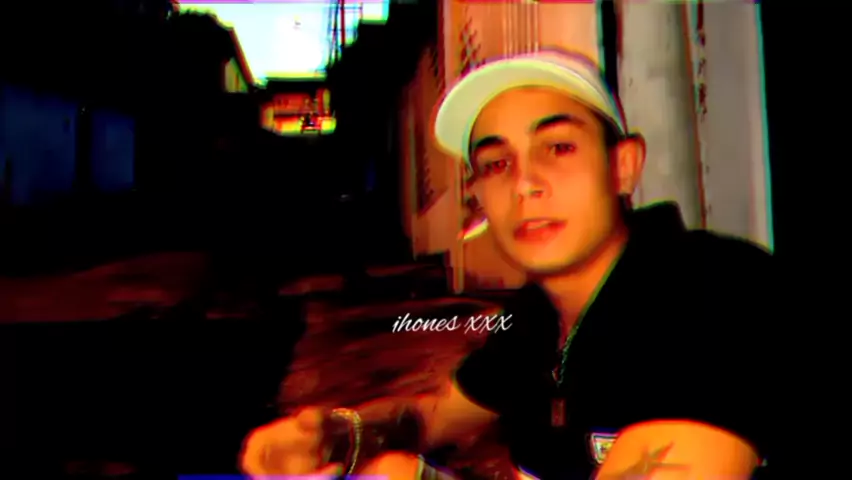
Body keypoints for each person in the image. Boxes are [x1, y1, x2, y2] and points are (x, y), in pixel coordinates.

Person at [239, 50, 776, 480]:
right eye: (496, 163)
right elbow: (434, 415)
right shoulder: (537, 317)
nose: (524, 183)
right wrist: (338, 437)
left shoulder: (717, 289)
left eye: (558, 147)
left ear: (623, 166)